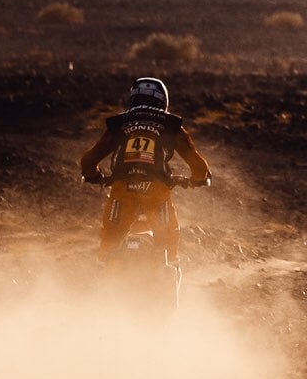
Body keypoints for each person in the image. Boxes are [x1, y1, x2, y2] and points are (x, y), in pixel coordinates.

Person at [78, 76, 212, 260]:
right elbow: (198, 165)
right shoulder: (171, 125)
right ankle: (168, 271)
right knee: (167, 239)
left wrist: (93, 175)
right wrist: (198, 179)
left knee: (110, 239)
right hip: (156, 191)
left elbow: (89, 160)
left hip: (122, 189)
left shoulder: (119, 124)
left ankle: (105, 275)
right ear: (163, 100)